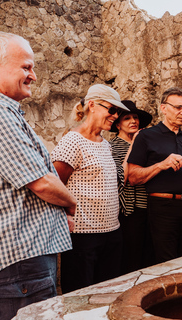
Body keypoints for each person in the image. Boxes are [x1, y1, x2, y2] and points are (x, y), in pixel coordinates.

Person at [0, 32, 76, 320]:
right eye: (26, 67)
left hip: (16, 261)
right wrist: (71, 204)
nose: (33, 76)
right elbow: (41, 182)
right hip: (18, 260)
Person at [51, 84, 129, 293]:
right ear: (92, 105)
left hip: (112, 232)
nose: (115, 116)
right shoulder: (72, 141)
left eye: (118, 112)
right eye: (112, 110)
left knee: (108, 294)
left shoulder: (105, 143)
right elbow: (56, 185)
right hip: (83, 236)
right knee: (80, 296)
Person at [127, 87, 182, 264]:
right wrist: (161, 165)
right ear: (164, 108)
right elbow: (132, 177)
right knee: (166, 262)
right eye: (178, 107)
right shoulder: (146, 136)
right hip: (163, 208)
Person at [109, 100, 154, 274]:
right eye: (127, 118)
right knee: (132, 256)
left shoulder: (146, 145)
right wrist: (135, 144)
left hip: (149, 205)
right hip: (129, 209)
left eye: (135, 117)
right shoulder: (113, 147)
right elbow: (122, 178)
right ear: (118, 124)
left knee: (149, 255)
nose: (133, 121)